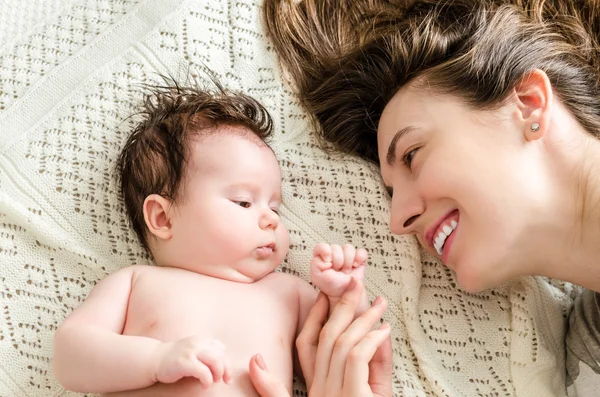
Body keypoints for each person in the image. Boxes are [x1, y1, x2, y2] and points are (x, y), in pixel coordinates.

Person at [262, 0, 600, 394]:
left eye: (411, 154)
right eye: (391, 192)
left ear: (527, 103)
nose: (397, 221)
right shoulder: (587, 351)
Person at [51, 81, 391, 396]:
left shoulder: (288, 293)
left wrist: (344, 296)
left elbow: (343, 362)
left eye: (275, 207)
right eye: (244, 202)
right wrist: (156, 359)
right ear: (162, 218)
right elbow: (70, 354)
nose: (270, 219)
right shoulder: (135, 283)